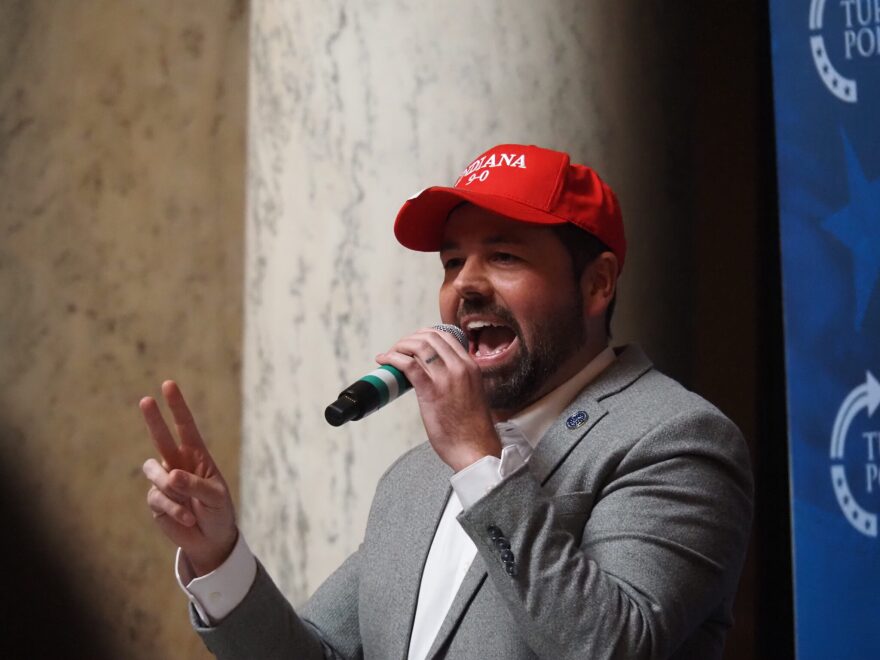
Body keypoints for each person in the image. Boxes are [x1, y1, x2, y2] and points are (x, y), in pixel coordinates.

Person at [141, 144, 753, 659]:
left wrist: (480, 464)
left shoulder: (677, 440)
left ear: (597, 284)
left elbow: (612, 645)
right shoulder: (415, 480)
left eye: (504, 255)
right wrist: (217, 553)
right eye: (453, 261)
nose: (466, 284)